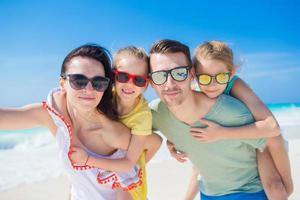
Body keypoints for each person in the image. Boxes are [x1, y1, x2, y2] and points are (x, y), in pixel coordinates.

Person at [0, 44, 150, 200]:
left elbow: (152, 144)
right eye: (79, 80)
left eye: (98, 82)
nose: (89, 89)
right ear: (62, 83)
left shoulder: (114, 133)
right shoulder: (53, 116)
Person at [148, 39, 285, 200]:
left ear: (190, 74)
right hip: (208, 193)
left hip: (247, 192)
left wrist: (286, 185)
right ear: (150, 82)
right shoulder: (156, 113)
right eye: (160, 76)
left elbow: (272, 137)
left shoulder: (234, 109)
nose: (169, 84)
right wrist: (171, 140)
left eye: (179, 73)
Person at [69, 46, 162, 200]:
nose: (129, 85)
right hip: (106, 162)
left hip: (127, 170)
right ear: (113, 76)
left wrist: (87, 160)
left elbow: (128, 164)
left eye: (138, 80)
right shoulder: (103, 97)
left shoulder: (142, 116)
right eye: (123, 77)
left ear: (146, 84)